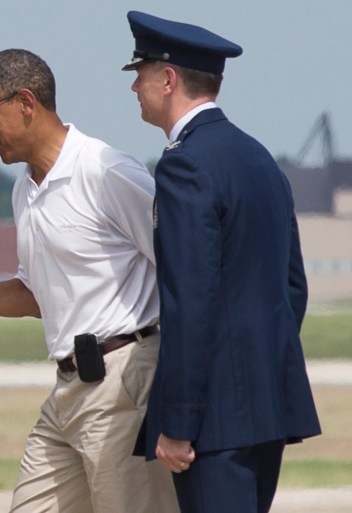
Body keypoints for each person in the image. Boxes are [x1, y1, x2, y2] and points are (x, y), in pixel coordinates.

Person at [0, 49, 179, 513]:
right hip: (66, 388)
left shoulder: (106, 171)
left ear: (25, 102)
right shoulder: (25, 188)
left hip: (124, 380)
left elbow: (179, 266)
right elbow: (35, 295)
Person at [122, 11, 322, 513]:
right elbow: (291, 287)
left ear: (168, 79)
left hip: (214, 422)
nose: (134, 88)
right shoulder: (259, 159)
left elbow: (191, 299)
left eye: (140, 73)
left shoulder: (185, 163)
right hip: (264, 406)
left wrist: (179, 423)